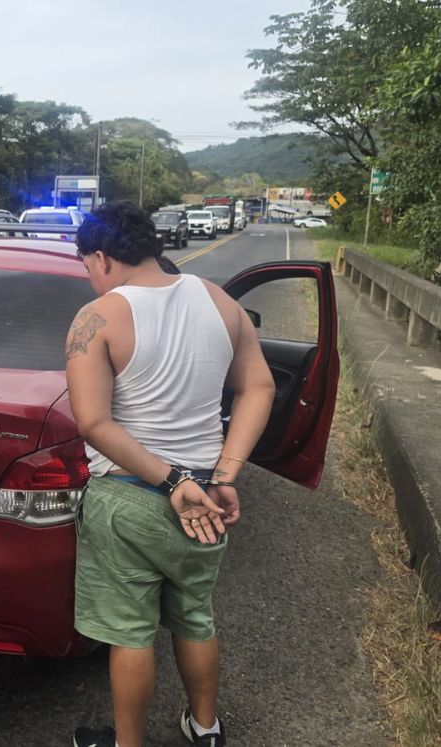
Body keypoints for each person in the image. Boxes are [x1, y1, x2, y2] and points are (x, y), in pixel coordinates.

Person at [63, 202, 274, 747]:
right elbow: (259, 387)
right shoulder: (220, 301)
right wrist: (223, 475)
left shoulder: (99, 317)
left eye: (86, 264)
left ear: (103, 257)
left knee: (130, 634)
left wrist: (168, 480)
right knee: (196, 618)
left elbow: (92, 421)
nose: (89, 276)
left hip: (131, 496)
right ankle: (205, 728)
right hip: (206, 496)